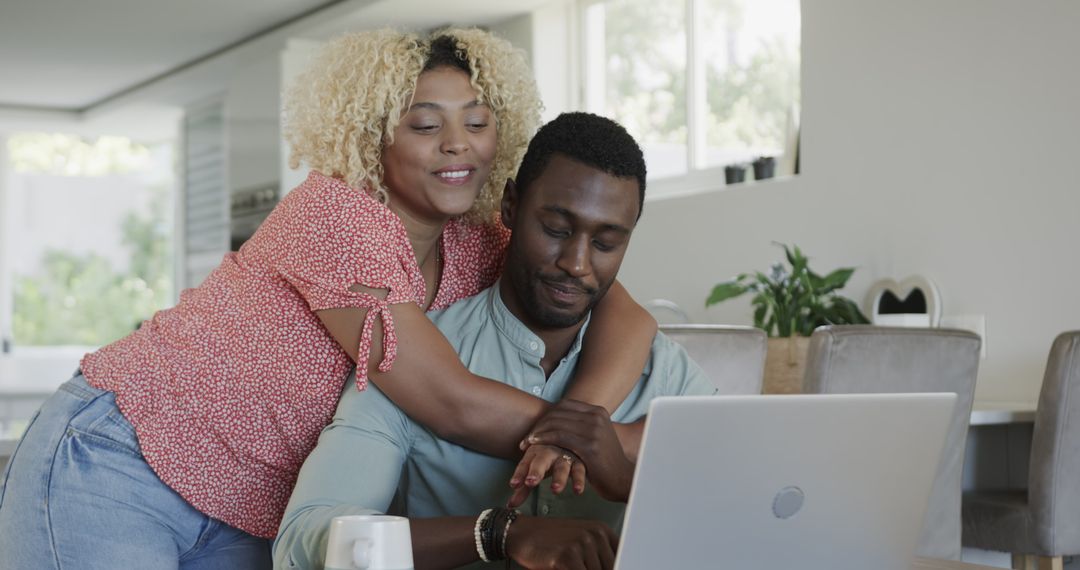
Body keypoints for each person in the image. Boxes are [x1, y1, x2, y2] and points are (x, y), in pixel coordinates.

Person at [0, 30, 656, 570]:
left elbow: (625, 312)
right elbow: (448, 402)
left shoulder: (475, 240)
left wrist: (585, 424)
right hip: (121, 462)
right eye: (426, 124)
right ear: (376, 135)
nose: (458, 143)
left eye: (478, 123)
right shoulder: (335, 215)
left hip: (253, 508)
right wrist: (590, 444)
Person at [274, 112, 717, 570]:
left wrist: (627, 481)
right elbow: (305, 541)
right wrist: (495, 533)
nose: (577, 263)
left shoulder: (665, 374)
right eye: (556, 230)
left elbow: (742, 522)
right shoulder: (415, 362)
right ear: (510, 206)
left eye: (606, 243)